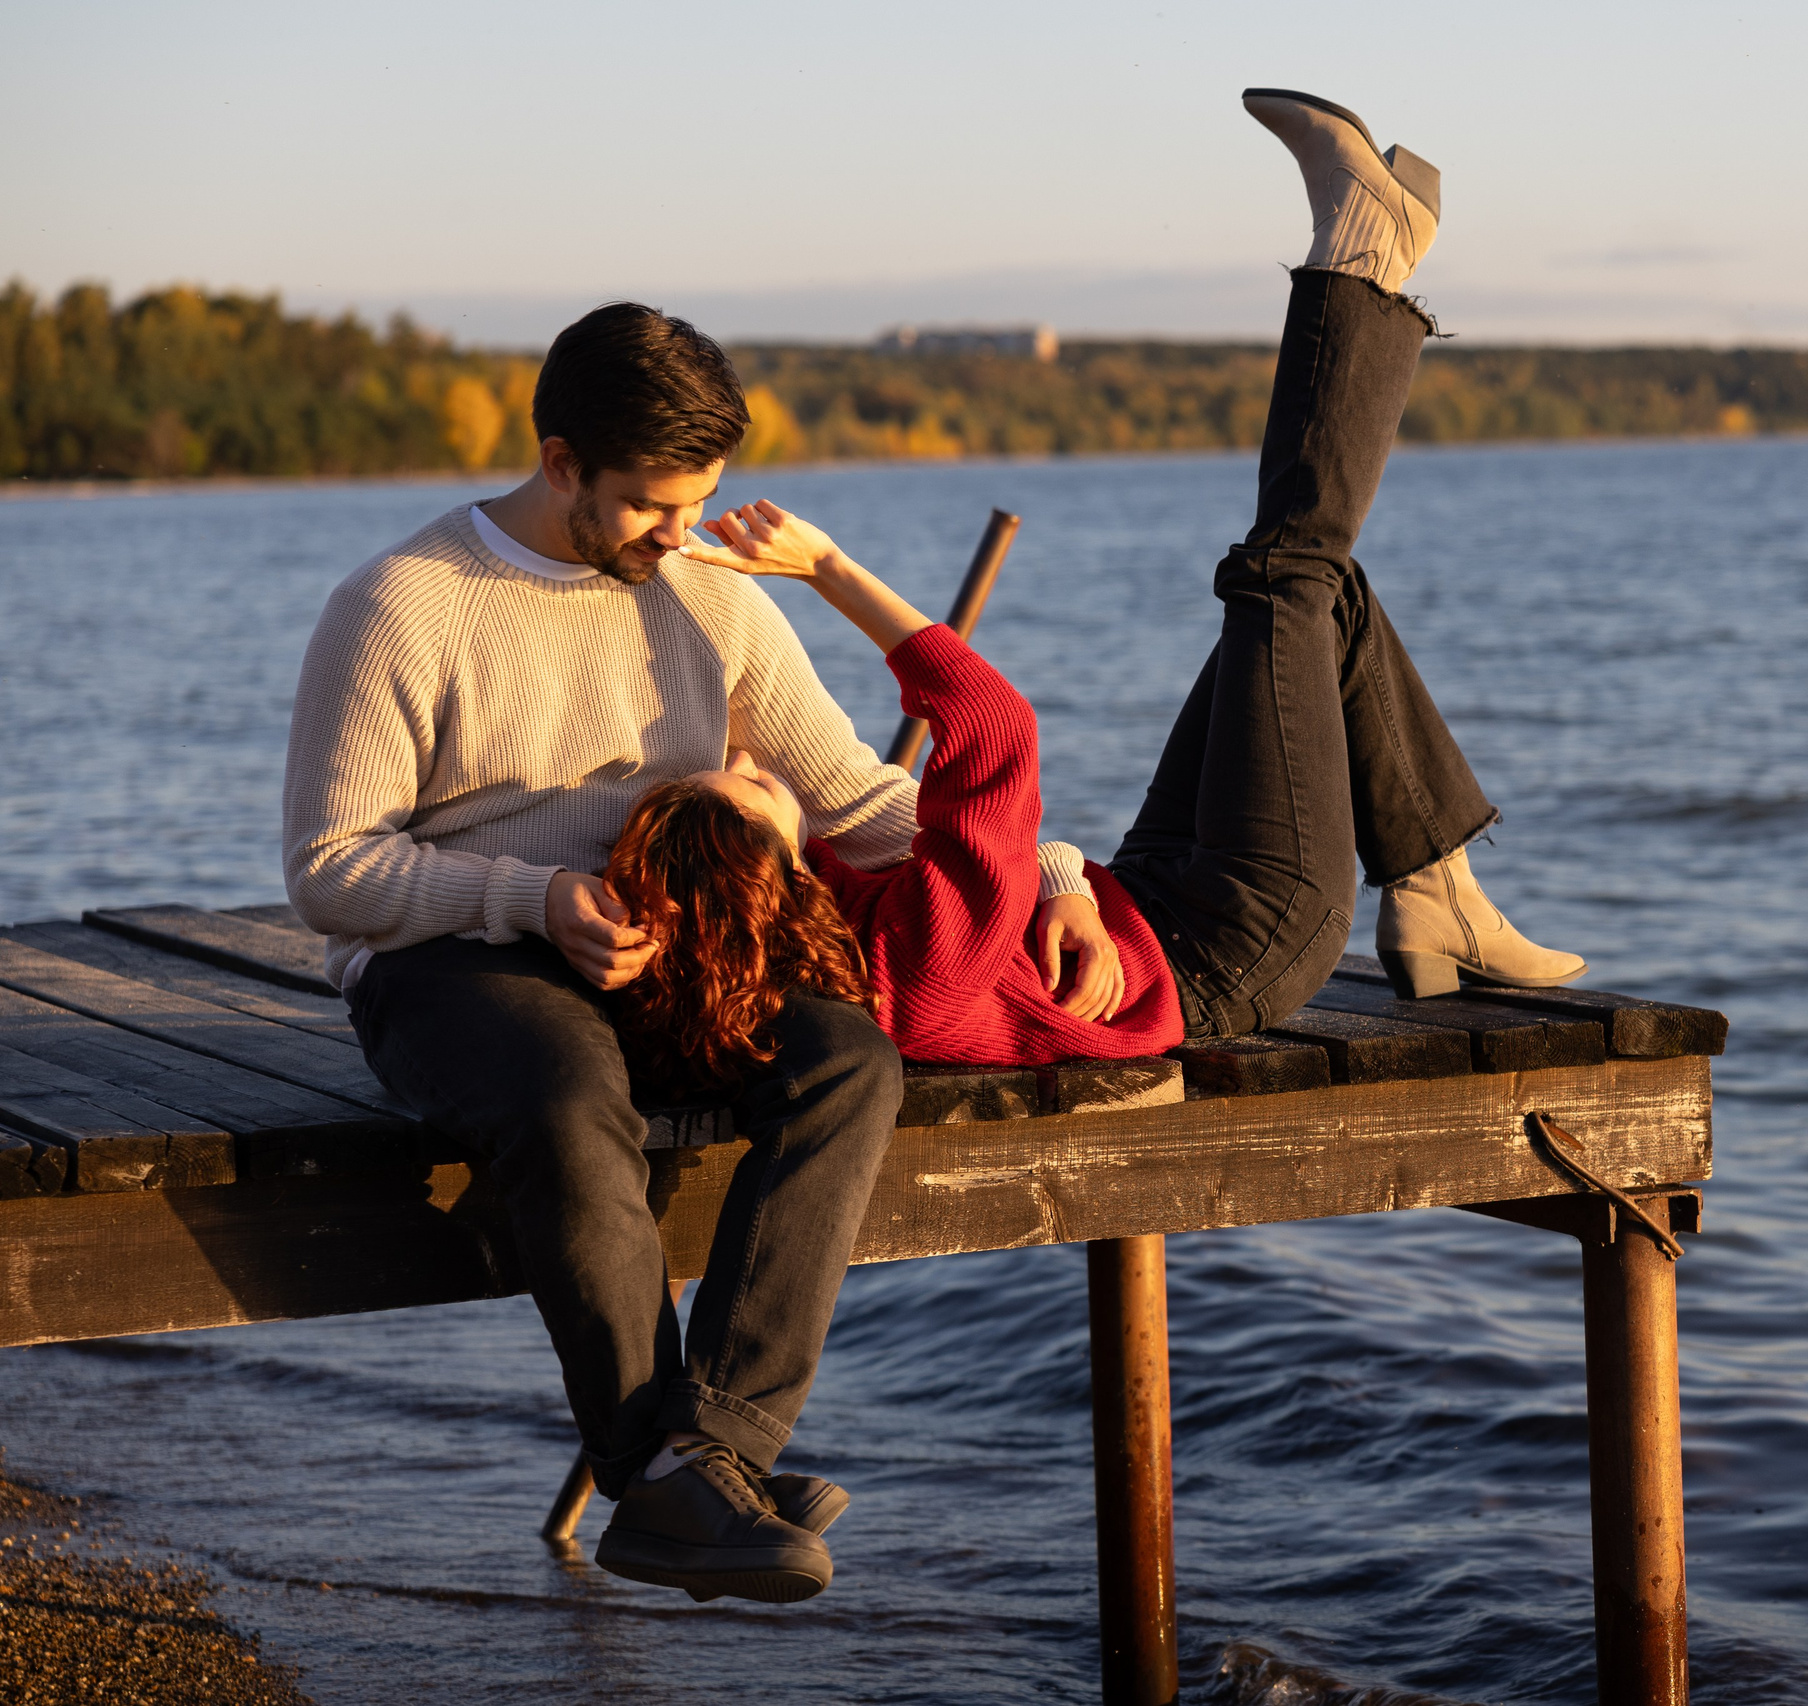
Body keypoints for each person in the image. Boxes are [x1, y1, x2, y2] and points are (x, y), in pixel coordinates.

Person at [280, 304, 1113, 1605]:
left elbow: (857, 797)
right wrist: (529, 897)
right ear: (561, 462)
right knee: (565, 1091)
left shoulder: (707, 596)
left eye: (699, 503)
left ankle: (707, 1452)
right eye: (651, 507)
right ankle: (656, 1467)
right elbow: (330, 871)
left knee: (845, 1054)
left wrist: (1056, 873)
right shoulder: (401, 603)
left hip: (668, 950)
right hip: (446, 950)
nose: (682, 535)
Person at [604, 87, 1585, 1087]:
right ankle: (1360, 254)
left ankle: (1434, 889)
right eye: (742, 781)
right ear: (762, 878)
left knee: (1310, 594)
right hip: (1234, 943)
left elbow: (987, 841)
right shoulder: (907, 968)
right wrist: (829, 571)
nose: (739, 753)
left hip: (1149, 895)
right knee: (1283, 578)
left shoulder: (844, 913)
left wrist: (1056, 880)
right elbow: (995, 731)